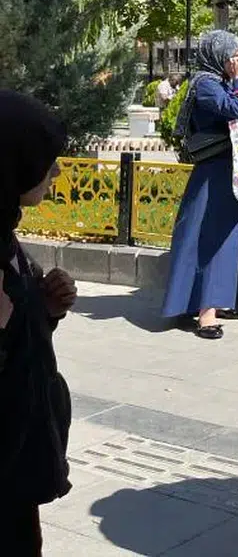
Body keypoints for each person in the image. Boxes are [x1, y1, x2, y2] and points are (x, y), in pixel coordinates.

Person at [0, 92, 77, 556]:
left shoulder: (6, 239)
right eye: (45, 161)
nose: (57, 171)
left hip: (16, 473)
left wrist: (43, 310)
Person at [162, 30, 238, 340]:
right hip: (213, 174)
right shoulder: (205, 84)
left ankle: (204, 304)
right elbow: (235, 109)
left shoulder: (220, 83)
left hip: (229, 171)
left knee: (221, 239)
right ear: (220, 55)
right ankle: (205, 313)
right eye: (237, 58)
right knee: (207, 238)